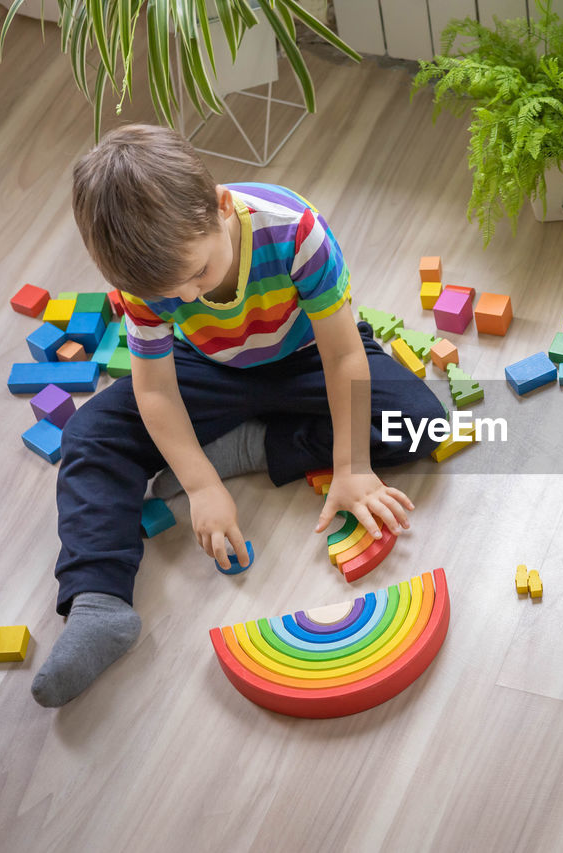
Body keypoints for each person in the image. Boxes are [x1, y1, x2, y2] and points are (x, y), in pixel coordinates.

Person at [31, 124, 445, 707]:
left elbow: (344, 353)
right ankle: (99, 605)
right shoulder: (147, 279)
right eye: (171, 295)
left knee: (425, 421)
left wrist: (351, 467)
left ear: (222, 207)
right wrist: (199, 485)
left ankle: (248, 448)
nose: (191, 298)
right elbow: (153, 389)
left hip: (306, 358)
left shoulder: (295, 230)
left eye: (199, 275)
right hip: (208, 367)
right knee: (90, 433)